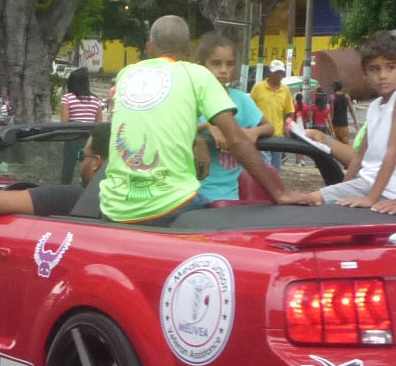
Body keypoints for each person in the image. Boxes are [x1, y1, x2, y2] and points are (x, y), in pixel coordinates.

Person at [97, 16, 297, 224]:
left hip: (112, 208)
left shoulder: (127, 74)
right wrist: (279, 193)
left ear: (149, 48)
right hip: (171, 208)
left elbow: (159, 123)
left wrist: (197, 138)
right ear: (191, 50)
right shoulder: (197, 75)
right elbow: (236, 139)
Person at [298, 32, 396, 212]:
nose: (383, 75)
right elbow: (360, 156)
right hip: (367, 182)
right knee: (316, 201)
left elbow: (393, 152)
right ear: (365, 74)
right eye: (375, 69)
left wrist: (371, 198)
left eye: (390, 68)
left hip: (388, 189)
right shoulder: (376, 106)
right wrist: (343, 189)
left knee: (310, 199)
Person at [191, 32, 272, 205]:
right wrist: (206, 127)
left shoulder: (241, 99)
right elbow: (175, 131)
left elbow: (269, 127)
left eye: (229, 64)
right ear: (201, 66)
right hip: (193, 195)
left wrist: (253, 132)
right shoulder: (191, 98)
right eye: (216, 63)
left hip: (229, 196)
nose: (223, 70)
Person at [250, 60, 294, 133]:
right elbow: (250, 109)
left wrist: (286, 126)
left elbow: (290, 111)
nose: (279, 75)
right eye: (276, 72)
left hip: (278, 135)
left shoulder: (285, 90)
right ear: (270, 73)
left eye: (281, 73)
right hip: (261, 133)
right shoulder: (258, 88)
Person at [330, 81, 354, 146]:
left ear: (335, 88)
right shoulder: (347, 97)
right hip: (344, 124)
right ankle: (349, 155)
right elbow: (351, 110)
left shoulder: (332, 97)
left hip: (335, 125)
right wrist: (355, 122)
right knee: (346, 144)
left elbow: (332, 112)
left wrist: (330, 124)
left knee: (337, 145)